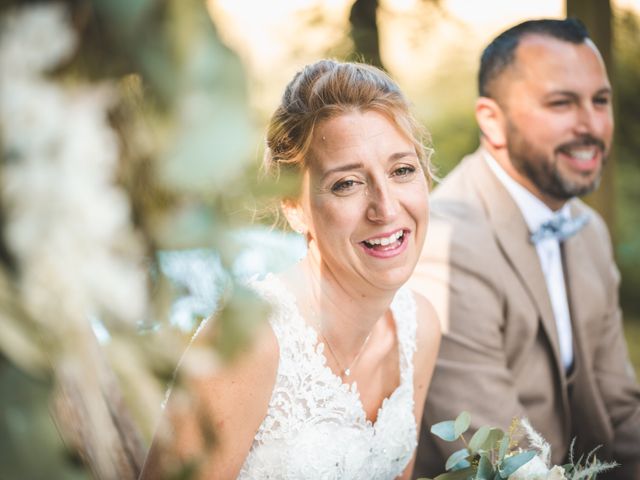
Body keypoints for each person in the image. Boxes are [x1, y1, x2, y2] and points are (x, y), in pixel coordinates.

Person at [140, 59, 441, 479]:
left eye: (402, 171)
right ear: (295, 208)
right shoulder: (250, 341)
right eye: (347, 183)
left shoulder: (419, 326)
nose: (386, 207)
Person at [408, 18, 640, 480]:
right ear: (492, 120)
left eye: (601, 101)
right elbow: (496, 456)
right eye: (561, 103)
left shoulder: (587, 228)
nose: (592, 125)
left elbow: (621, 410)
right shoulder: (446, 244)